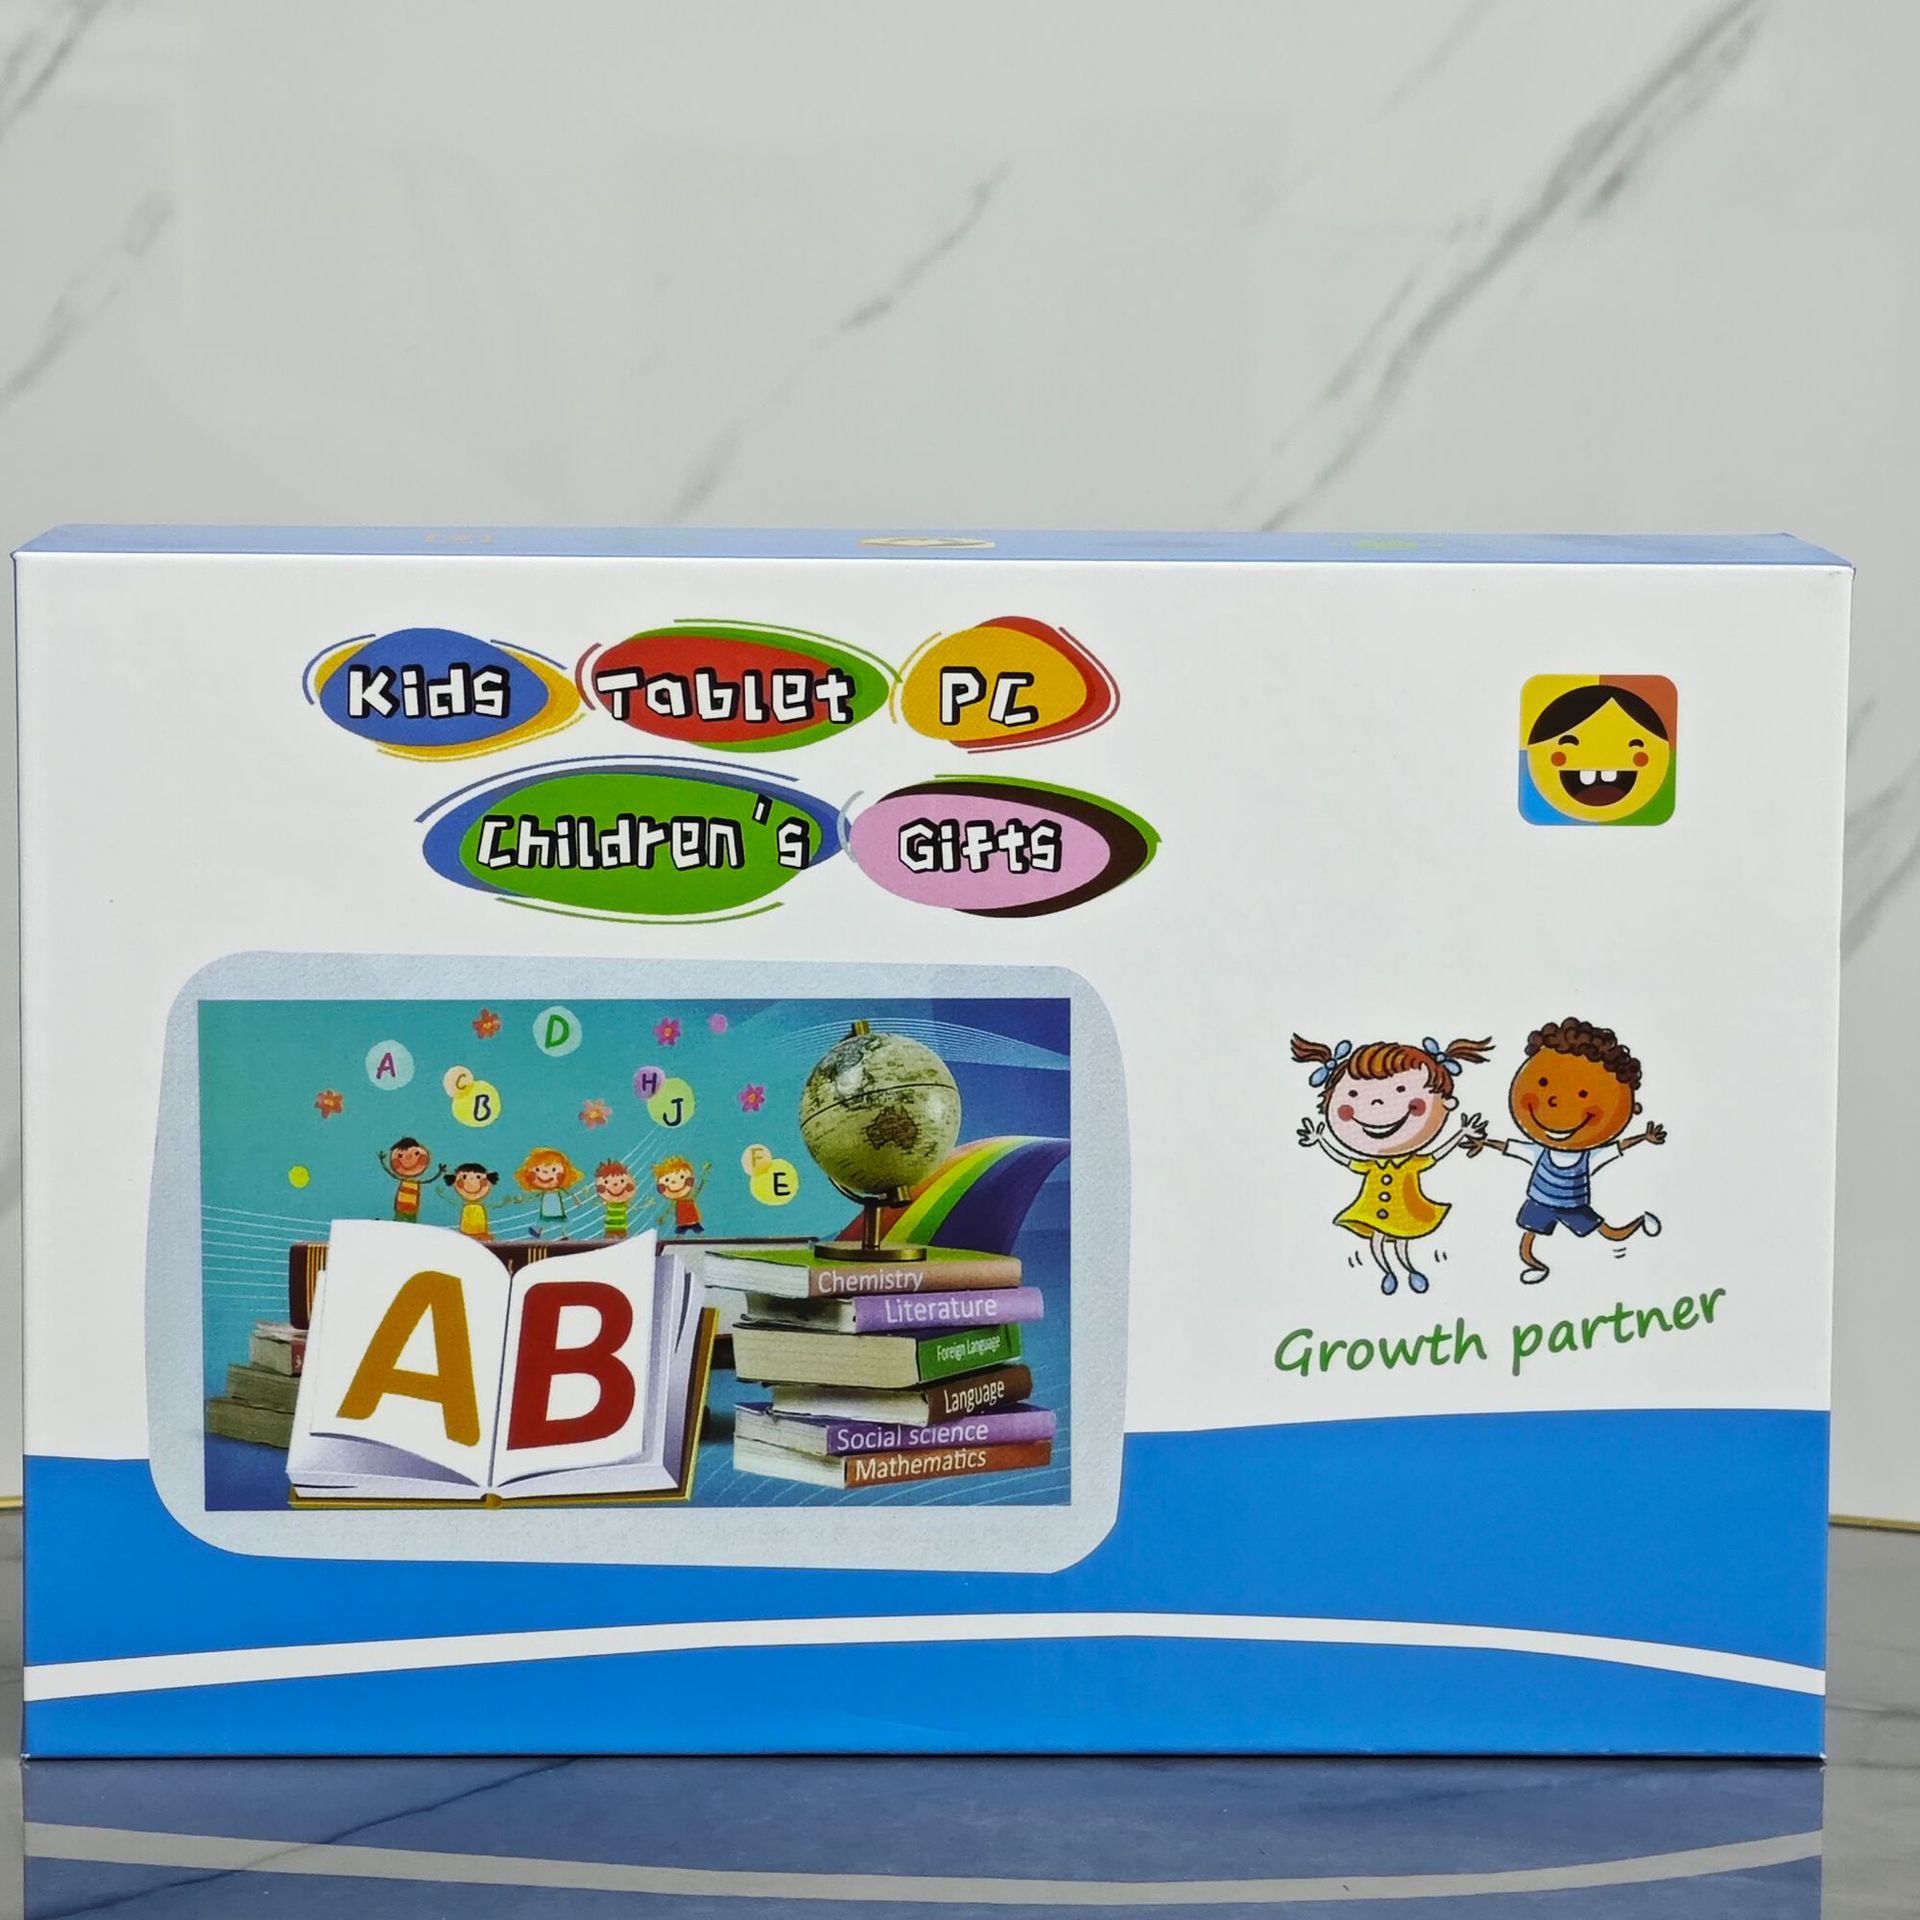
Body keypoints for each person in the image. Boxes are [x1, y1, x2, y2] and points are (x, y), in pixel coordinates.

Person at [1466, 1016, 1667, 1283]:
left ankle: (1641, 1222)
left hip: (1575, 1206)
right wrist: (1484, 1143)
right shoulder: (1539, 1151)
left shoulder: (1589, 1156)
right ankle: (1536, 1266)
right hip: (1540, 1202)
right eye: (1544, 1084)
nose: (1555, 1103)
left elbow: (1618, 1147)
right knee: (1527, 1241)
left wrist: (1644, 1137)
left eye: (1583, 1095)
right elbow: (1510, 1148)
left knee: (1611, 1233)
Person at [1292, 1033, 1490, 1296]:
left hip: (1404, 1209)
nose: (1377, 1104)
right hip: (1372, 1210)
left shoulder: (1411, 1162)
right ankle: (1388, 1272)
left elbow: (1438, 1154)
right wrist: (1320, 1140)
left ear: (1446, 1103)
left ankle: (1409, 1269)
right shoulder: (1372, 1164)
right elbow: (1344, 1159)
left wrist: (1461, 1133)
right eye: (1354, 1094)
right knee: (1378, 1239)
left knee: (1400, 1241)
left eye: (1400, 1091)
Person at [515, 1146, 585, 1240]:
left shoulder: (558, 1190)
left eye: (553, 1170)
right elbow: (533, 1196)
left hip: (557, 1208)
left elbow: (570, 1193)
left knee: (561, 1221)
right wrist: (522, 1200)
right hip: (546, 1208)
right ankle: (539, 1233)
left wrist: (577, 1201)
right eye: (538, 1170)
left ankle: (564, 1235)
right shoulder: (543, 1192)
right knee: (544, 1221)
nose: (545, 1174)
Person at [378, 1137, 440, 1223]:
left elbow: (429, 1180)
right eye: (400, 1156)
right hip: (400, 1206)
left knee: (411, 1223)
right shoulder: (405, 1180)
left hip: (412, 1208)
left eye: (416, 1154)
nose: (408, 1158)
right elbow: (390, 1172)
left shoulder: (416, 1182)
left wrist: (440, 1172)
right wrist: (382, 1161)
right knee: (399, 1222)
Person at [440, 1162, 499, 1239]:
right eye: (464, 1177)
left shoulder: (479, 1208)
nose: (471, 1181)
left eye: (478, 1177)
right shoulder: (466, 1208)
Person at [595, 1160, 639, 1239]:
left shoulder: (623, 1202)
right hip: (610, 1230)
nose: (615, 1184)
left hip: (622, 1229)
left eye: (622, 1181)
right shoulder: (609, 1202)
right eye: (606, 1182)